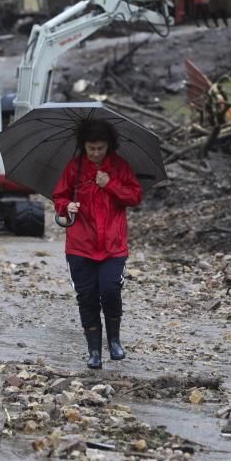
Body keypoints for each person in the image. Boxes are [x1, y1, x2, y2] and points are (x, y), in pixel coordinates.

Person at [53, 119, 143, 370]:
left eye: (100, 148)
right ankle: (94, 350)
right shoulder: (74, 169)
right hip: (80, 245)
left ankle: (114, 340)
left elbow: (135, 197)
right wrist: (65, 206)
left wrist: (110, 184)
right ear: (83, 146)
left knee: (111, 290)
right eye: (91, 148)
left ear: (108, 146)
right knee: (87, 297)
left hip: (113, 245)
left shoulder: (120, 167)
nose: (95, 153)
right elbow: (59, 195)